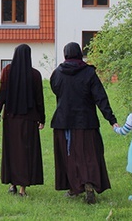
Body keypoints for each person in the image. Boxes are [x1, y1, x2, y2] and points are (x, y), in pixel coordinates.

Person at [50, 42, 118, 204]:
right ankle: (88, 183)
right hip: (86, 122)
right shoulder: (88, 73)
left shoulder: (57, 73)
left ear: (65, 54)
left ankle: (74, 187)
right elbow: (100, 98)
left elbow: (56, 90)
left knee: (68, 155)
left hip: (63, 121)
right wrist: (111, 119)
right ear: (80, 53)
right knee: (88, 155)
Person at [0, 44, 45, 197]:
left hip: (11, 119)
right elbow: (39, 100)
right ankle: (23, 189)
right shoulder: (35, 75)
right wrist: (42, 118)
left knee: (12, 152)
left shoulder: (7, 72)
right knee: (26, 153)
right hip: (29, 120)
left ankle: (12, 184)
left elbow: (1, 96)